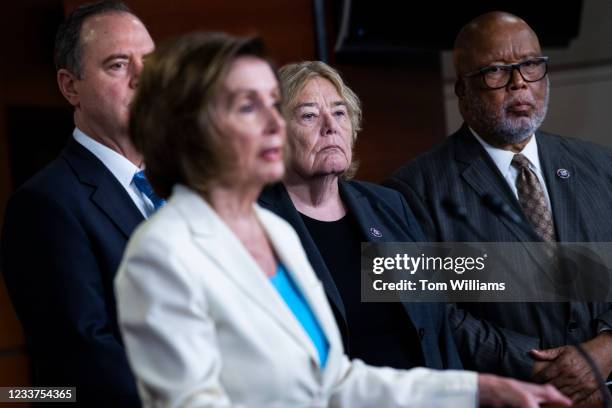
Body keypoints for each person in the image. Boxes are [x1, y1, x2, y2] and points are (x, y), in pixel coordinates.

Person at [115, 31, 570, 408]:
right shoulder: (163, 251)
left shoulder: (274, 232)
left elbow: (333, 381)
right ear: (192, 127)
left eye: (275, 104)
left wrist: (478, 388)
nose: (275, 123)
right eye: (250, 106)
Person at [384, 11, 612, 404]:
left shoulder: (600, 165)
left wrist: (608, 346)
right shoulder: (409, 190)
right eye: (496, 71)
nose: (519, 82)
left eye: (530, 65)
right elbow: (427, 311)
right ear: (462, 90)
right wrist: (535, 365)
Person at [258, 61, 461, 371]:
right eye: (309, 115)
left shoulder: (389, 205)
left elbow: (437, 326)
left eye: (339, 113)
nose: (331, 126)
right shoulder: (257, 222)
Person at [1, 1, 154, 405]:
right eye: (119, 65)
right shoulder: (44, 205)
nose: (144, 78)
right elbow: (85, 360)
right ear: (71, 87)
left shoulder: (189, 184)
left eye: (151, 61)